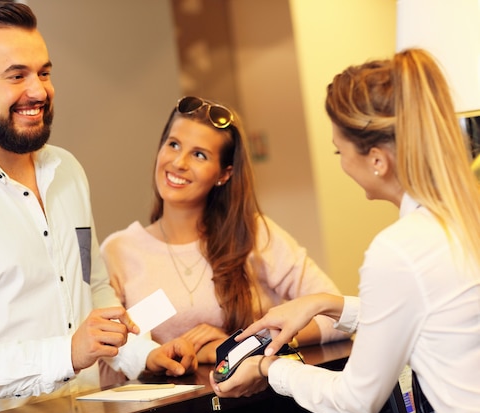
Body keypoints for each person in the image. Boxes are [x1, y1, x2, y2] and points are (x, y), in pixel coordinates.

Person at [0, 3, 195, 413]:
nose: (39, 90)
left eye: (44, 72)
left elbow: (91, 289)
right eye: (17, 76)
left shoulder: (67, 172)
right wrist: (64, 354)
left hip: (87, 407)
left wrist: (143, 356)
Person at [210, 48, 480, 413]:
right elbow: (439, 312)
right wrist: (327, 303)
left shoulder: (400, 249)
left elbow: (356, 399)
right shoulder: (461, 219)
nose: (342, 164)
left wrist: (270, 368)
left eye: (339, 152)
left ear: (377, 161)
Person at [100, 95, 349, 372]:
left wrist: (241, 345)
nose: (179, 162)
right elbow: (107, 360)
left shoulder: (253, 234)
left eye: (199, 155)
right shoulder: (117, 250)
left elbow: (338, 318)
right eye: (173, 145)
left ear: (224, 174)